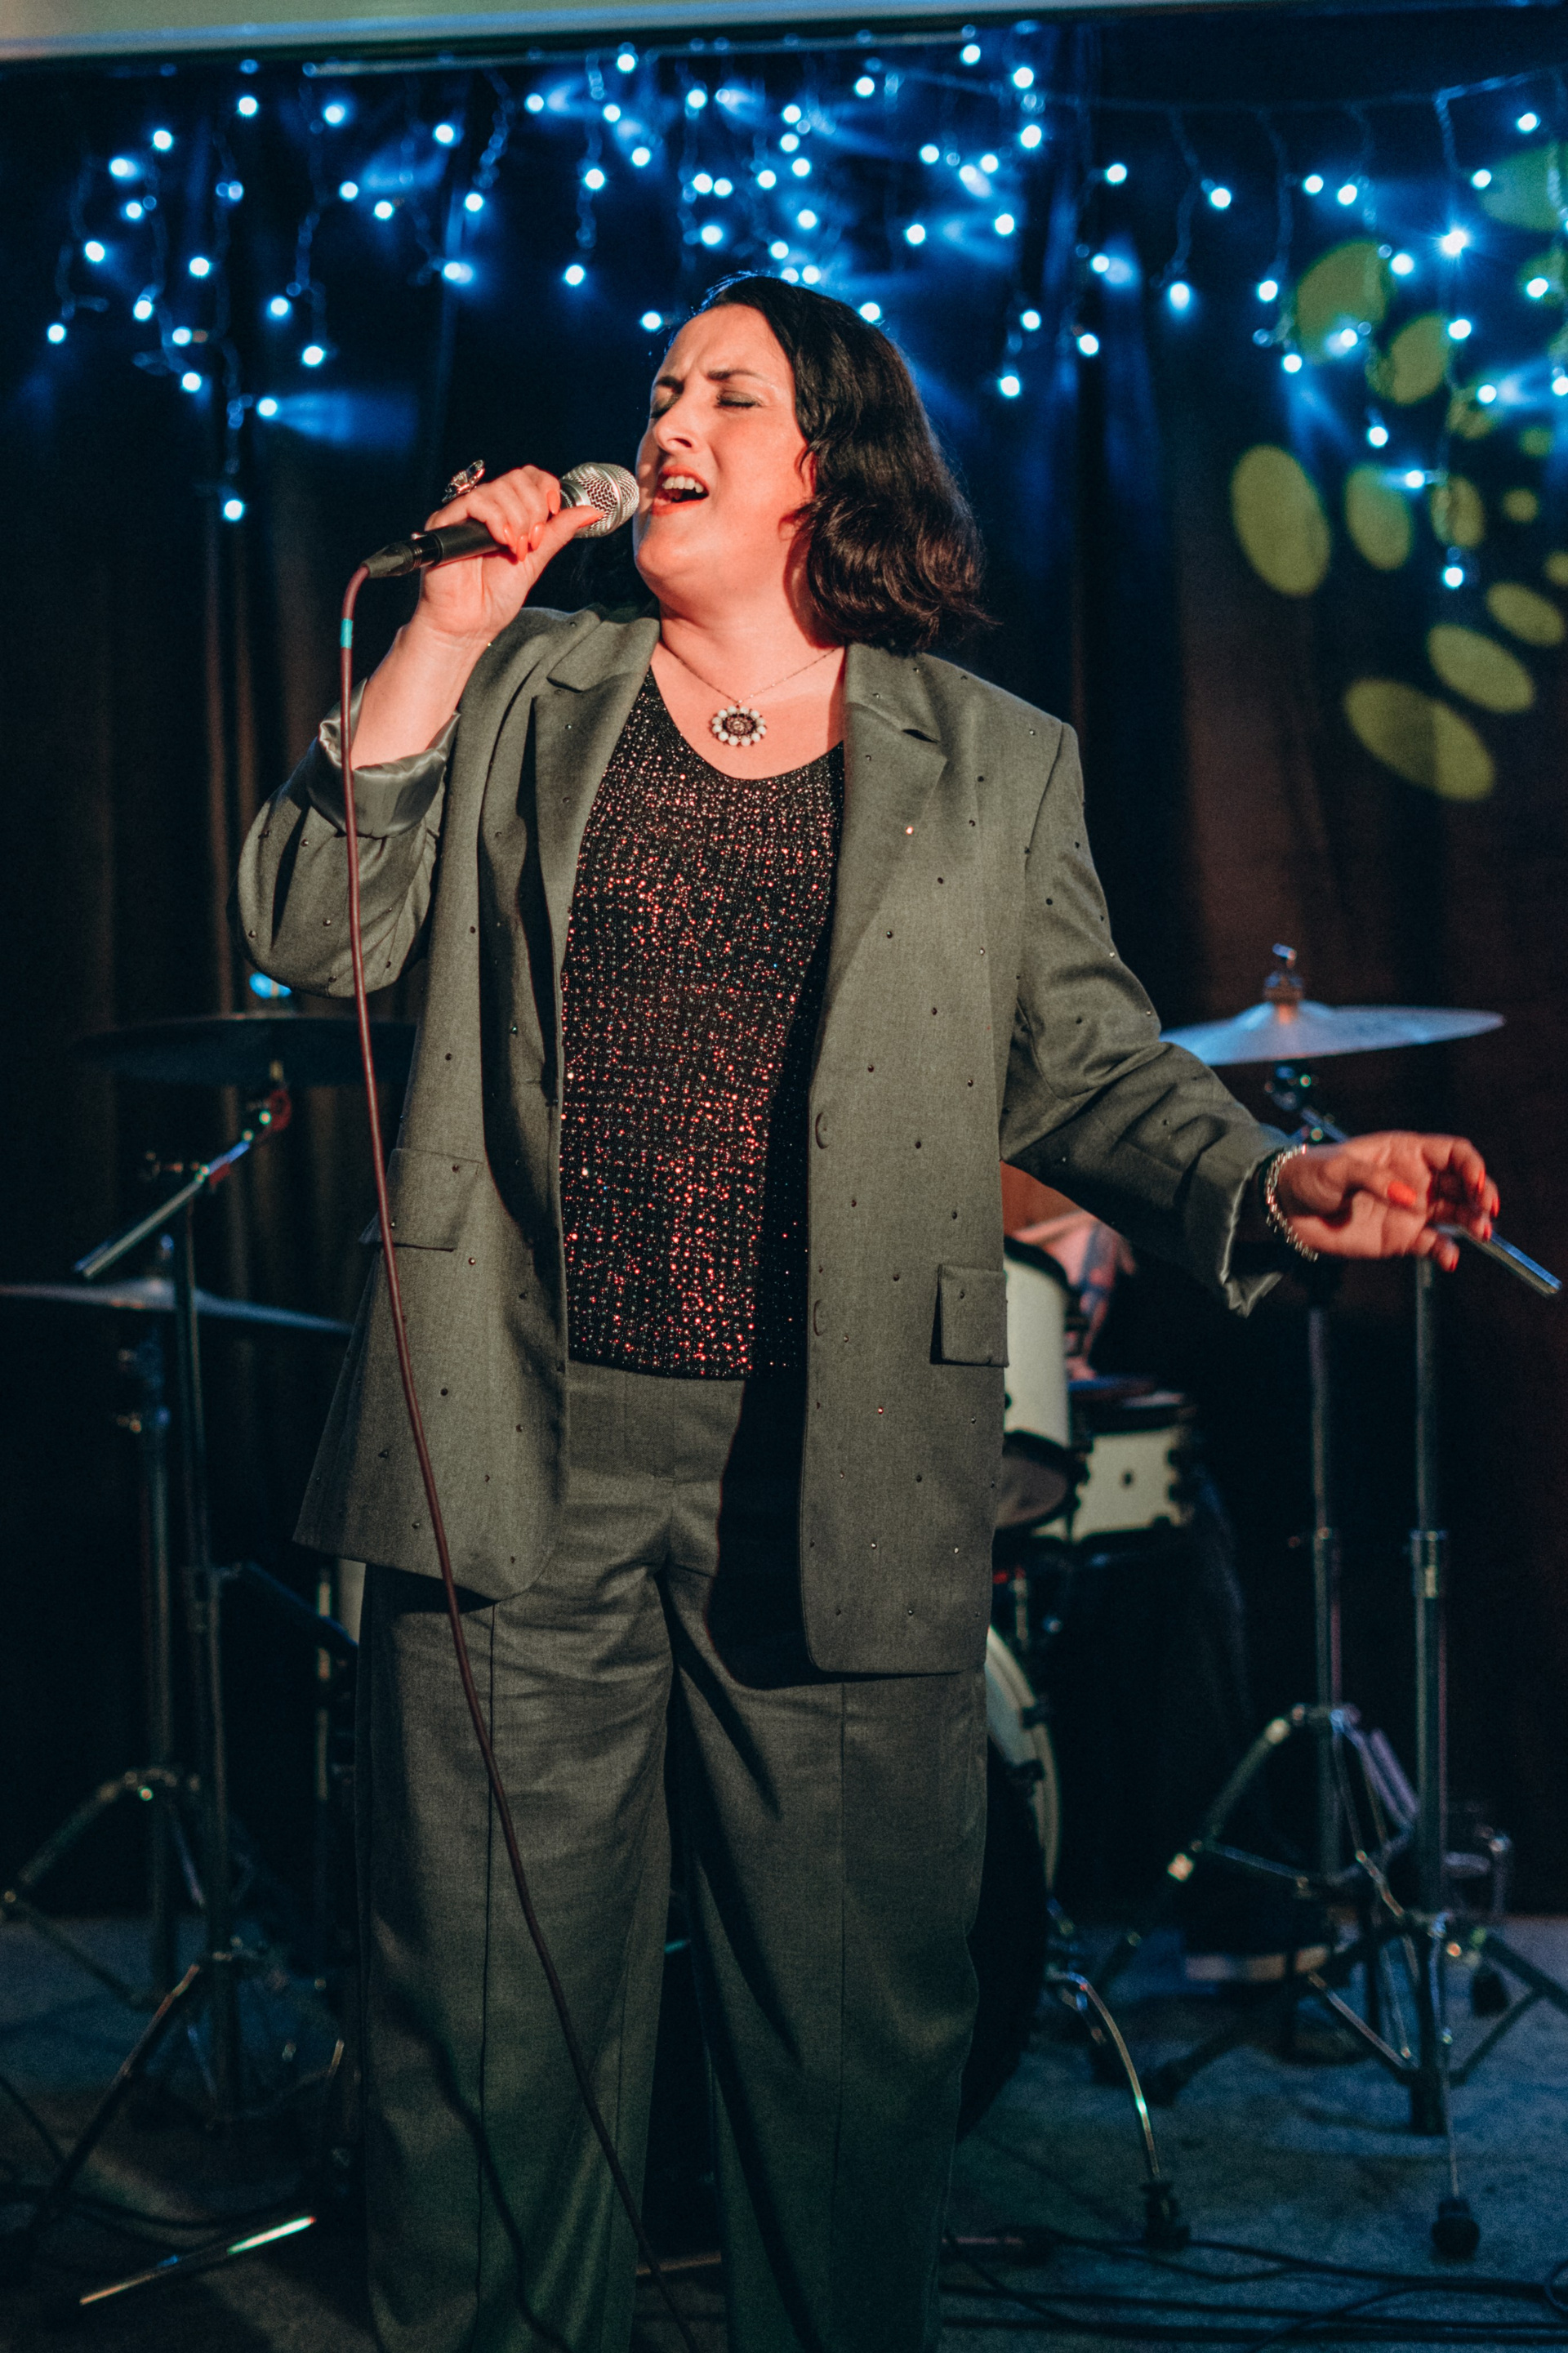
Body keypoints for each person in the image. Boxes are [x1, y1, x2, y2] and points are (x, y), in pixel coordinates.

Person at [234, 276, 1497, 2353]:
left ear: (832, 464)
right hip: (514, 1436)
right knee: (481, 2041)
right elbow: (306, 927)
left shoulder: (993, 761)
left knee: (849, 2068)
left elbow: (1089, 1067)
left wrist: (1275, 1180)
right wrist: (439, 636)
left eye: (728, 392)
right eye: (660, 386)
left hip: (839, 1460)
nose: (670, 417)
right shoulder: (530, 683)